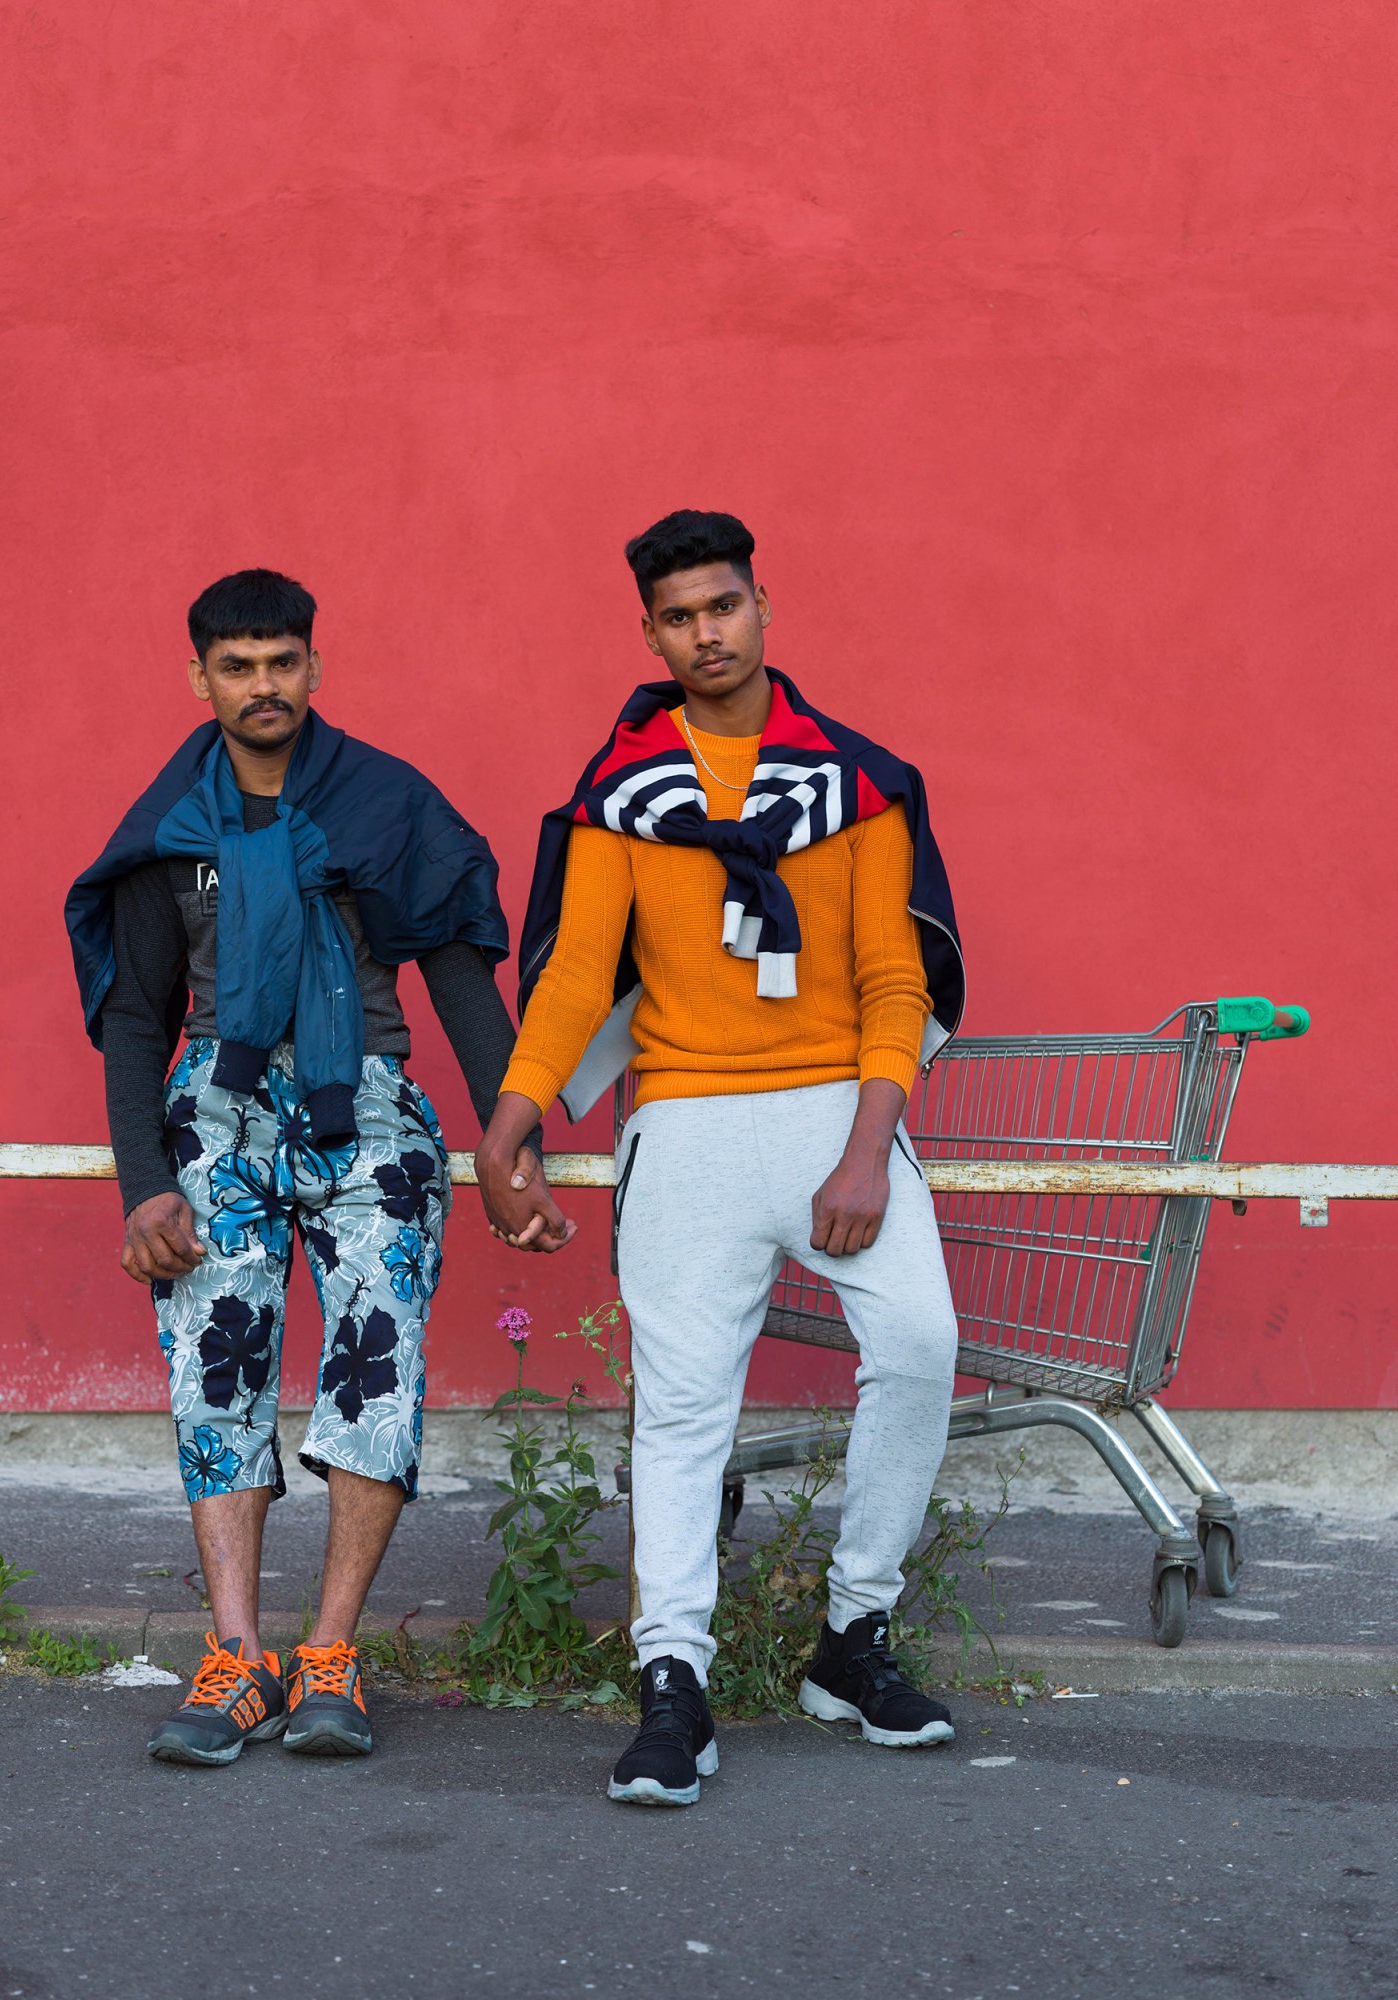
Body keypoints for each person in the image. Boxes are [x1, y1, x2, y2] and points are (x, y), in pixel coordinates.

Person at [475, 511, 967, 1806]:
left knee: (920, 1342)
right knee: (687, 1410)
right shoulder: (621, 796)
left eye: (726, 605)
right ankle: (672, 1683)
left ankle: (851, 1638)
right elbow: (581, 970)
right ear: (651, 632)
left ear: (763, 608)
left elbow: (888, 976)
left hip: (833, 1113)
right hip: (683, 1120)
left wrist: (868, 1151)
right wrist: (515, 1116)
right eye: (681, 615)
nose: (707, 631)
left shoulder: (857, 783)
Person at [66, 568, 559, 1767]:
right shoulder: (169, 824)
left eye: (282, 660)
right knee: (215, 1371)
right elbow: (137, 1016)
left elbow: (459, 986)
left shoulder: (385, 804)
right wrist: (145, 1184)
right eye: (236, 666)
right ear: (200, 678)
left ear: (314, 667)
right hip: (214, 1115)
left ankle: (329, 1652)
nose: (262, 684)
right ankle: (236, 1656)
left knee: (374, 1367)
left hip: (371, 1110)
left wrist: (514, 1145)